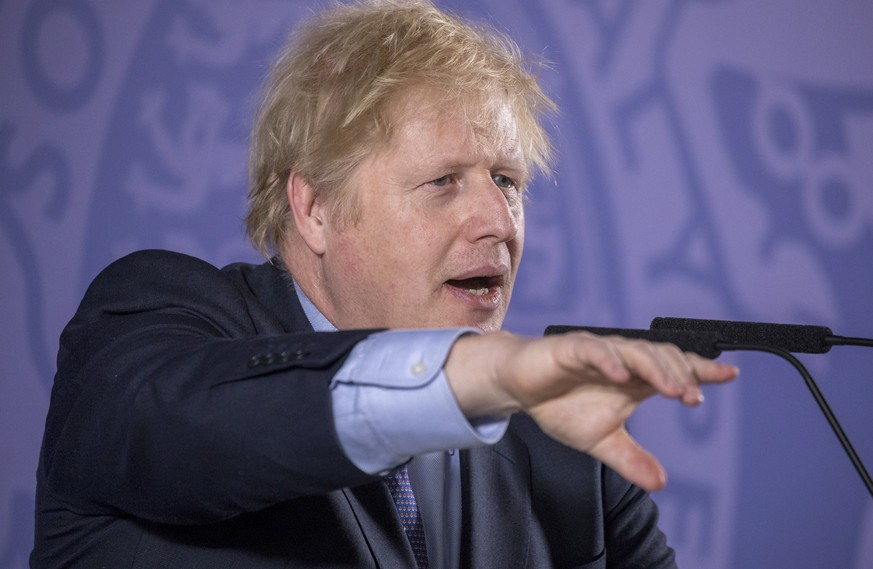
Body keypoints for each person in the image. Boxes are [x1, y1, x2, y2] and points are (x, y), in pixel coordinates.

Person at [31, 1, 738, 567]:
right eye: (442, 182)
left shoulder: (566, 448)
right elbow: (203, 427)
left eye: (507, 181)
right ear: (314, 208)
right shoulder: (151, 327)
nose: (499, 220)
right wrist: (467, 377)